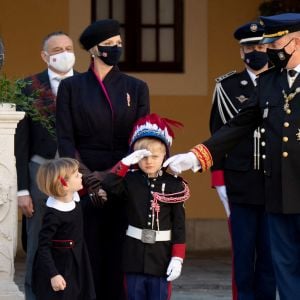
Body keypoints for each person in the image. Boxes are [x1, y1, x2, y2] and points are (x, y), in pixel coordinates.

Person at [164, 13, 300, 300]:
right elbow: (237, 126)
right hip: (277, 195)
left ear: (295, 42)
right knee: (284, 268)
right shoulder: (269, 83)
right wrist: (196, 156)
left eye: (274, 44)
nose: (269, 50)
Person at [56, 19, 150, 299]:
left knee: (120, 255)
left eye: (119, 44)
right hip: (83, 181)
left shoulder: (137, 87)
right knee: (88, 254)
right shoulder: (71, 87)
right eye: (110, 45)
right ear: (94, 50)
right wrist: (90, 181)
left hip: (123, 179)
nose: (116, 49)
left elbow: (140, 140)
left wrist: (110, 177)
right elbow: (65, 140)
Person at [209, 21, 276, 299]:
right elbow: (218, 134)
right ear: (241, 52)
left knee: (271, 257)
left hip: (276, 183)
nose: (256, 51)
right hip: (240, 183)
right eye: (250, 47)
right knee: (243, 254)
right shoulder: (227, 86)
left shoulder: (283, 83)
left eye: (261, 46)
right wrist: (219, 181)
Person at [100, 113, 190, 300]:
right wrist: (125, 163)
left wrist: (178, 257)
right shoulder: (129, 180)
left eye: (155, 156)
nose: (148, 161)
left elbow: (179, 225)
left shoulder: (174, 185)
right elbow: (109, 185)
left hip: (161, 257)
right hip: (133, 255)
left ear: (165, 155)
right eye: (142, 157)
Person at [15, 31, 76, 300]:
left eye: (68, 48)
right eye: (57, 49)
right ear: (44, 55)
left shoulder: (85, 85)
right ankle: (33, 294)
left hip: (75, 173)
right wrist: (22, 190)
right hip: (39, 171)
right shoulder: (27, 87)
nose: (64, 54)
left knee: (75, 239)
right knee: (39, 238)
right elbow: (20, 145)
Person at [32, 158, 95, 300]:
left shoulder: (75, 200)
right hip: (59, 266)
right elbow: (43, 247)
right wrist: (53, 274)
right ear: (64, 184)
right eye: (76, 174)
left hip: (78, 261)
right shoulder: (53, 215)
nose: (81, 175)